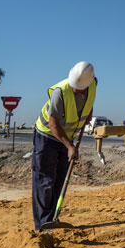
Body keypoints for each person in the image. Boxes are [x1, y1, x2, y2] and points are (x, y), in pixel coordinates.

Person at [32, 61, 96, 230]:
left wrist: (89, 113)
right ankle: (43, 224)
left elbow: (90, 99)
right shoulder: (60, 92)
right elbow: (53, 124)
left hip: (67, 138)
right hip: (47, 136)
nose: (75, 89)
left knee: (60, 180)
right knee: (45, 181)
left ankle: (53, 218)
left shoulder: (93, 83)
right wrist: (70, 146)